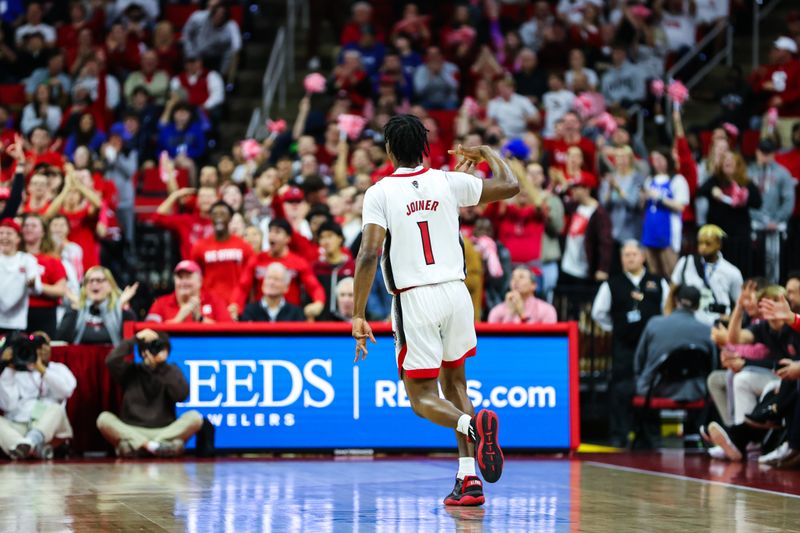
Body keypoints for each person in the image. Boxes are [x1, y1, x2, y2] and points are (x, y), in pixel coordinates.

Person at [353, 115, 519, 506]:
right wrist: (489, 153)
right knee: (456, 385)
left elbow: (368, 253)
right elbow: (510, 185)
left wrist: (358, 313)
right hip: (456, 293)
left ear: (390, 149)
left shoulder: (380, 192)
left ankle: (471, 426)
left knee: (421, 397)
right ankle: (468, 479)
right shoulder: (447, 181)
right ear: (425, 148)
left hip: (415, 298)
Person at [592, 241, 670, 447]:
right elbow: (598, 313)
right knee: (621, 390)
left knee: (650, 390)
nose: (630, 258)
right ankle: (619, 434)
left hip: (651, 348)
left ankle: (649, 435)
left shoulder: (657, 282)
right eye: (626, 255)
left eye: (634, 254)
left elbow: (667, 310)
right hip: (624, 346)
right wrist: (617, 328)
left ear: (643, 257)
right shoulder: (612, 283)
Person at [97, 329, 204, 458]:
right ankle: (157, 446)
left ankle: (137, 447)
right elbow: (111, 361)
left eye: (162, 348)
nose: (158, 351)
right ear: (143, 352)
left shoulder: (171, 370)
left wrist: (162, 368)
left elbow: (181, 395)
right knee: (103, 419)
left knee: (195, 417)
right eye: (154, 348)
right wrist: (134, 340)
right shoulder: (131, 371)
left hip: (164, 430)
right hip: (133, 429)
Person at [633, 286, 716, 448]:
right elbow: (712, 367)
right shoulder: (708, 331)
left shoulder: (654, 324)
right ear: (698, 306)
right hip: (695, 392)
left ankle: (650, 439)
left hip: (656, 390)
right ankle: (693, 434)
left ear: (676, 301)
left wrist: (640, 382)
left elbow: (638, 361)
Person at [0, 332, 76, 459]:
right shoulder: (15, 373)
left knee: (57, 409)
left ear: (50, 346)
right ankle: (26, 447)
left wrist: (42, 370)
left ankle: (27, 444)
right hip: (19, 425)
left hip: (48, 427)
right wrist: (9, 368)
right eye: (36, 346)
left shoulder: (59, 369)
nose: (41, 349)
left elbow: (66, 391)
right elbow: (9, 405)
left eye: (44, 344)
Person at [236, 218, 325, 321]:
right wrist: (236, 304)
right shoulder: (257, 260)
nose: (272, 235)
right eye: (270, 231)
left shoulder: (298, 262)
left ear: (288, 238)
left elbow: (314, 287)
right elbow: (243, 286)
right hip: (261, 317)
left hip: (291, 318)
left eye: (277, 232)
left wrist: (319, 302)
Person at [191, 201, 254, 319]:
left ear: (230, 218)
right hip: (209, 303)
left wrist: (239, 303)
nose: (218, 217)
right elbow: (195, 277)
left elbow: (247, 281)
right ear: (210, 218)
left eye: (223, 214)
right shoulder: (199, 246)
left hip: (236, 305)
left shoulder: (244, 246)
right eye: (215, 214)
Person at [671, 224, 743, 326]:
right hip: (689, 323)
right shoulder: (686, 263)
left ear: (719, 244)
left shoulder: (732, 272)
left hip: (718, 325)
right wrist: (668, 318)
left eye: (708, 243)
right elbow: (671, 293)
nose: (703, 247)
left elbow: (740, 304)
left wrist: (731, 319)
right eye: (700, 243)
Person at [748, 140, 795, 283]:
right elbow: (744, 199)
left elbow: (788, 200)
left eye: (768, 153)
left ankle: (774, 289)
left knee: (774, 261)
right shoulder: (748, 171)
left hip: (776, 225)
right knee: (754, 262)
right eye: (762, 152)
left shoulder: (782, 173)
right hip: (754, 223)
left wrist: (777, 220)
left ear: (774, 154)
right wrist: (757, 218)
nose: (765, 156)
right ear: (757, 152)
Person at [56, 266, 137, 346]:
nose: (94, 284)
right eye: (90, 281)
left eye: (99, 280)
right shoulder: (76, 309)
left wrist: (119, 306)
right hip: (81, 357)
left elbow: (130, 344)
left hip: (111, 358)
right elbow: (61, 339)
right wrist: (74, 309)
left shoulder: (122, 310)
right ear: (84, 287)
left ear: (110, 286)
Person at [21, 214, 66, 337]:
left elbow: (61, 290)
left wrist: (37, 285)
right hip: (16, 313)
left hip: (44, 314)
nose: (28, 228)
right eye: (25, 225)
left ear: (43, 232)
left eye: (33, 226)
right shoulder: (15, 258)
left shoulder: (52, 260)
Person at [146, 260, 230, 324]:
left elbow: (230, 333)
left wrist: (200, 319)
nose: (184, 282)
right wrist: (178, 319)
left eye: (188, 277)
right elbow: (148, 332)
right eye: (180, 278)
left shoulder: (215, 301)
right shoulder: (160, 303)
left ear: (200, 281)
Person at [0, 218, 42, 334]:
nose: (4, 237)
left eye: (9, 233)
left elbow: (37, 289)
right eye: (1, 233)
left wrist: (32, 284)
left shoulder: (27, 260)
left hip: (17, 323)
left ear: (18, 238)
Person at [314, 221, 356, 321]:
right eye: (322, 237)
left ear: (340, 238)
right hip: (321, 324)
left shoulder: (353, 266)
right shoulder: (316, 267)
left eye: (330, 236)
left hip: (349, 323)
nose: (326, 241)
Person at [487, 266, 557, 324]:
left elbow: (545, 339)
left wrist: (522, 315)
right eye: (513, 278)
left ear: (533, 285)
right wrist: (510, 313)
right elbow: (494, 338)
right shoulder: (496, 311)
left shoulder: (547, 310)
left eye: (521, 277)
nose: (516, 280)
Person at [240, 263, 305, 322]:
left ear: (286, 287)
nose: (271, 283)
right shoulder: (249, 311)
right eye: (268, 278)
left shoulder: (296, 313)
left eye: (276, 279)